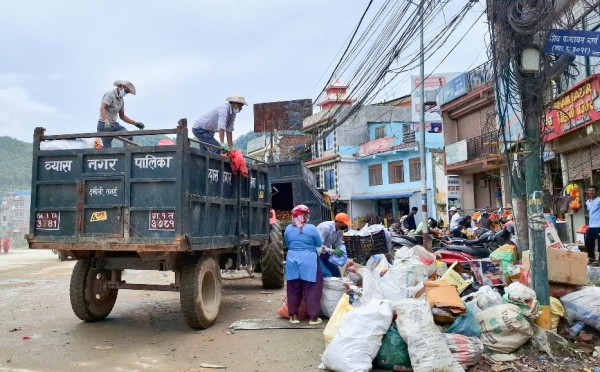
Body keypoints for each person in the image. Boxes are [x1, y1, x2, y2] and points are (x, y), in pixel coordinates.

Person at [284, 204, 323, 325]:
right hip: (309, 261)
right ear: (304, 216)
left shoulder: (288, 229)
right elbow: (319, 244)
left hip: (292, 260)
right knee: (312, 289)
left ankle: (294, 317)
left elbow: (287, 243)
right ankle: (313, 318)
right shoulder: (311, 228)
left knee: (293, 288)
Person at [97, 80, 145, 148]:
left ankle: (127, 154)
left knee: (128, 135)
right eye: (125, 91)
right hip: (104, 124)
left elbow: (122, 116)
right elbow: (103, 108)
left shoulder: (121, 100)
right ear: (120, 86)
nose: (125, 93)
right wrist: (106, 122)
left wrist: (135, 123)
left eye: (127, 93)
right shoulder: (110, 94)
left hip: (114, 125)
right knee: (107, 147)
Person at [317, 213, 351, 278]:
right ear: (338, 222)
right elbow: (319, 245)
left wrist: (343, 250)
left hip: (325, 252)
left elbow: (339, 243)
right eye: (344, 223)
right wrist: (332, 251)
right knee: (325, 274)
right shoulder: (325, 227)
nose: (346, 225)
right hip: (316, 253)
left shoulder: (340, 230)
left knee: (336, 273)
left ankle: (337, 286)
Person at [585, 185, 600, 264]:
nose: (591, 192)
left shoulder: (599, 200)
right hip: (591, 226)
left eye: (593, 190)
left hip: (599, 226)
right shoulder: (587, 202)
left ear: (596, 192)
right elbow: (590, 212)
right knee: (588, 242)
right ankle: (592, 258)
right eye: (589, 190)